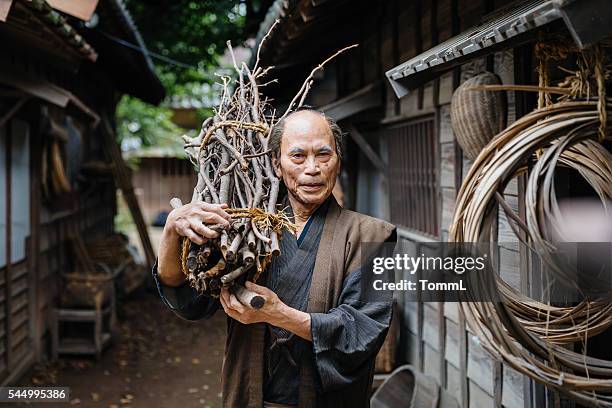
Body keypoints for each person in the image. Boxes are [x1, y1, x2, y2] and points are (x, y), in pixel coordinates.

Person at [153, 109, 397, 408]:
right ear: (276, 165)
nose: (313, 168)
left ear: (338, 161)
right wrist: (171, 231)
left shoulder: (375, 236)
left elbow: (363, 330)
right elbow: (190, 303)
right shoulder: (245, 232)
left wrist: (278, 313)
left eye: (323, 155)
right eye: (297, 156)